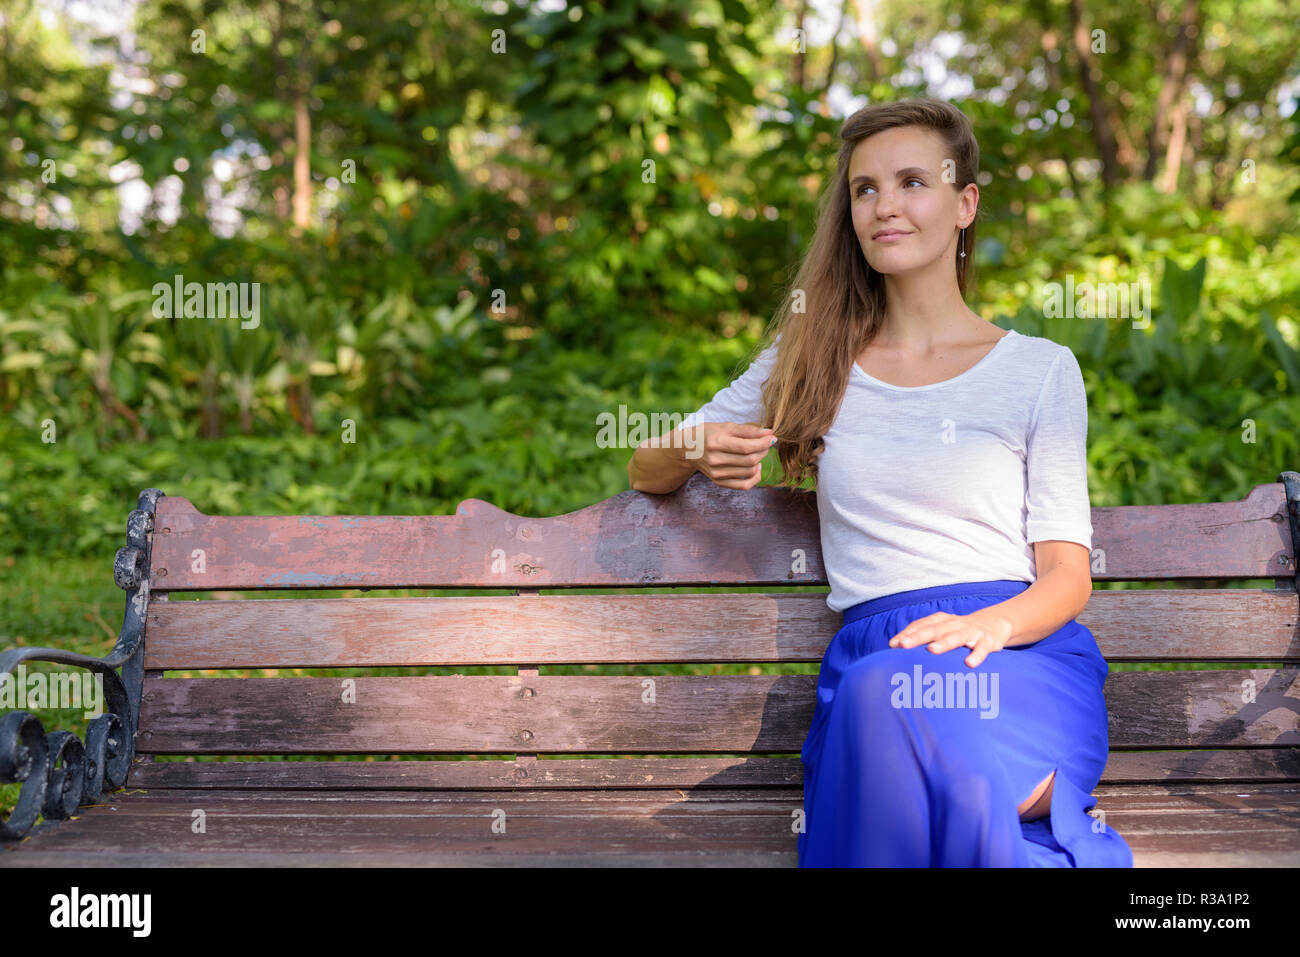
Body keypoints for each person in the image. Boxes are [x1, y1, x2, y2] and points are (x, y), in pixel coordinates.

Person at [627, 97, 1134, 867]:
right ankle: (1003, 825)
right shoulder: (813, 358)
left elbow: (1067, 576)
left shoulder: (1039, 370)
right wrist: (698, 445)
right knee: (886, 698)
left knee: (895, 717)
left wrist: (992, 626)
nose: (884, 206)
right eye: (864, 189)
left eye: (911, 182)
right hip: (879, 660)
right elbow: (644, 464)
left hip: (1017, 654)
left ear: (964, 204)